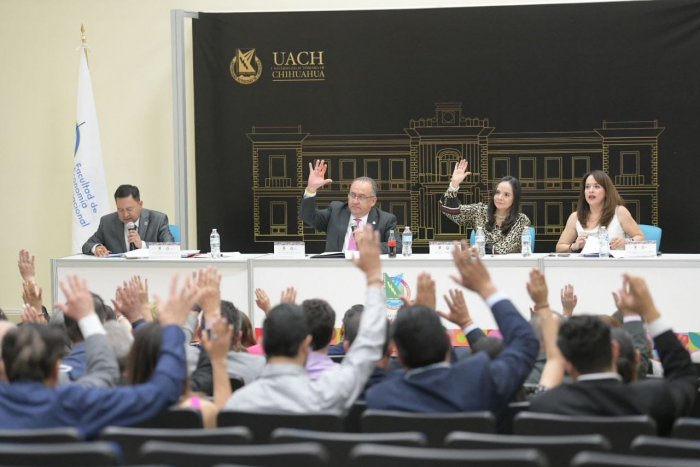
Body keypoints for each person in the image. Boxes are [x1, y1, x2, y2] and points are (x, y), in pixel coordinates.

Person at [0, 274, 199, 438]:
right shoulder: (76, 402)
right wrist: (172, 327)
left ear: (4, 370)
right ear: (55, 371)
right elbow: (162, 390)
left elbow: (103, 373)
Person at [222, 223, 387, 413]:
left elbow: (197, 405)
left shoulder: (236, 403)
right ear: (305, 344)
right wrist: (373, 277)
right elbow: (368, 346)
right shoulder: (329, 391)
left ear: (263, 343)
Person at [365, 242, 539, 416]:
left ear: (399, 356)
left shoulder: (379, 397)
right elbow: (526, 342)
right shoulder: (479, 380)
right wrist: (486, 288)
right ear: (449, 341)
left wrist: (374, 278)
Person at [529, 274, 698, 436]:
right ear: (615, 350)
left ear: (566, 363)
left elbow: (551, 363)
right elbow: (685, 376)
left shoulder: (544, 406)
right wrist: (649, 312)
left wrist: (543, 307)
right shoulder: (653, 398)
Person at [300, 159, 400, 254]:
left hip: (365, 265)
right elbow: (308, 216)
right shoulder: (336, 211)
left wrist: (369, 244)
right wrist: (311, 189)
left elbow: (398, 247)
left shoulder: (385, 220)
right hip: (337, 265)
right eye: (352, 195)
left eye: (361, 197)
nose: (355, 201)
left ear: (373, 201)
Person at [440, 160, 530, 254]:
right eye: (497, 192)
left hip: (507, 263)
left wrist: (473, 250)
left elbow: (504, 248)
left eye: (506, 195)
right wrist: (454, 185)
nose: (500, 197)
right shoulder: (479, 211)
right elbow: (451, 211)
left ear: (515, 198)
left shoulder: (521, 220)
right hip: (479, 261)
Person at [556, 170, 644, 252]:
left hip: (614, 262)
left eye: (597, 186)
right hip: (587, 263)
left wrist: (626, 241)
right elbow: (559, 248)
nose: (591, 191)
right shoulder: (575, 217)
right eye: (587, 187)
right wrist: (574, 246)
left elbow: (641, 238)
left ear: (607, 192)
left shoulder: (620, 212)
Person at [82, 184, 174, 256]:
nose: (125, 214)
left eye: (129, 209)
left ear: (140, 204)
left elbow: (171, 248)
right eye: (120, 210)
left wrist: (142, 245)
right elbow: (87, 245)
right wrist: (97, 248)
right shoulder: (107, 222)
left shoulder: (158, 220)